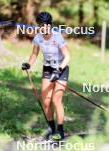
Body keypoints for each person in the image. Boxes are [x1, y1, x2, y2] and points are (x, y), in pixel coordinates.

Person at [21, 12, 70, 141]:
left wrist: (58, 71)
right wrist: (28, 64)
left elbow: (67, 57)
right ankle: (51, 128)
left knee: (56, 100)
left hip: (61, 69)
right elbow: (34, 54)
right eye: (41, 25)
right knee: (46, 101)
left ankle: (60, 130)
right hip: (48, 69)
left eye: (45, 25)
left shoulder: (57, 37)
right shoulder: (38, 38)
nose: (43, 28)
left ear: (50, 25)